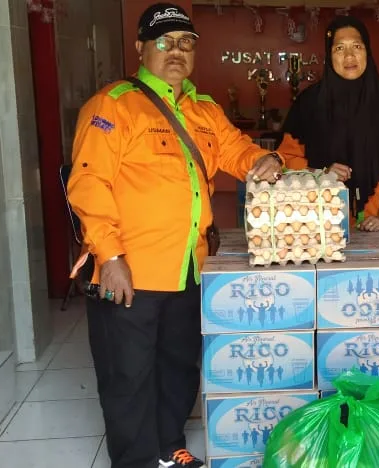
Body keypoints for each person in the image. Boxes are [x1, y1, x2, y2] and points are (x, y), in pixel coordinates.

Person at [67, 4, 284, 467]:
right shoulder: (114, 105)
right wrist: (109, 256)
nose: (176, 51)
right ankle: (138, 461)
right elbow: (88, 182)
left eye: (186, 43)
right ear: (141, 48)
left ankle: (168, 449)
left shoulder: (204, 109)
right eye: (164, 41)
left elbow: (235, 148)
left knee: (179, 368)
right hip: (130, 269)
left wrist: (261, 162)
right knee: (128, 376)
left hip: (188, 266)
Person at [277, 16, 379, 232]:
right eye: (339, 48)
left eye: (357, 46)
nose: (349, 56)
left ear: (368, 52)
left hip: (373, 226)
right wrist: (321, 173)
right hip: (317, 223)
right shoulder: (308, 104)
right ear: (329, 55)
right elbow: (286, 161)